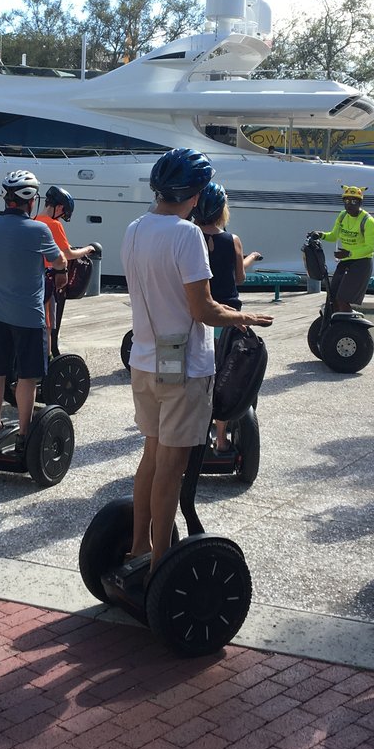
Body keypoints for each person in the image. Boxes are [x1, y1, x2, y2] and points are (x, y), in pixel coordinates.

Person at [123, 148, 273, 574]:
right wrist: (244, 316)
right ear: (194, 194)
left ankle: (137, 550)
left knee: (151, 457)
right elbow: (204, 310)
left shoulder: (134, 229)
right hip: (185, 367)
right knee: (170, 470)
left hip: (145, 361)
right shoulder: (186, 234)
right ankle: (160, 570)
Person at [0, 170, 67, 439]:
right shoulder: (38, 230)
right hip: (29, 317)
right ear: (30, 200)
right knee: (28, 377)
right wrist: (61, 268)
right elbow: (59, 261)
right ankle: (24, 433)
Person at [192, 181, 262, 453]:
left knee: (202, 376)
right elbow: (239, 277)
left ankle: (199, 433)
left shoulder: (190, 236)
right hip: (229, 318)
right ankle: (221, 439)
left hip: (200, 316)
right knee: (226, 377)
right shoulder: (232, 240)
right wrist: (250, 258)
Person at [34, 185, 96, 357]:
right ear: (59, 207)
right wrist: (87, 249)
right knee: (49, 323)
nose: (62, 217)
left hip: (34, 277)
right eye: (63, 213)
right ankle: (47, 360)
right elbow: (67, 254)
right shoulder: (54, 224)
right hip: (51, 278)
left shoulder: (34, 220)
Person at [313, 185, 374, 311]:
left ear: (360, 202)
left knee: (342, 299)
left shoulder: (368, 221)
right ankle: (335, 325)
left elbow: (370, 248)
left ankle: (349, 327)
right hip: (346, 260)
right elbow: (333, 236)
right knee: (332, 297)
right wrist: (320, 235)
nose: (349, 205)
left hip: (361, 263)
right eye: (346, 201)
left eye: (353, 201)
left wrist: (349, 253)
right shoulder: (342, 216)